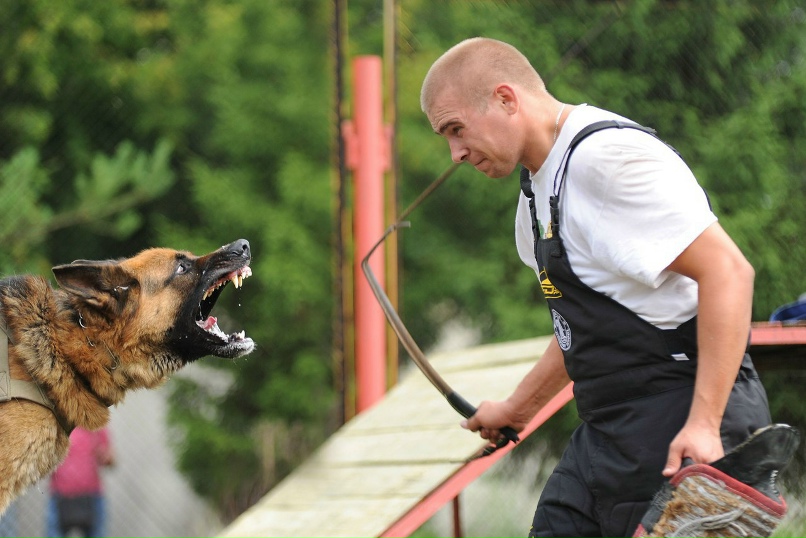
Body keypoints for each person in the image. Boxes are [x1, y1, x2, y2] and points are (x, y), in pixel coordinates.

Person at [420, 37, 772, 538]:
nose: (454, 153)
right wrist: (517, 409)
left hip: (686, 416)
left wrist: (704, 424)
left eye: (456, 129)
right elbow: (583, 329)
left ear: (505, 98)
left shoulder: (607, 160)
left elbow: (729, 273)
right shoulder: (534, 199)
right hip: (609, 430)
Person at [47, 427, 115, 538]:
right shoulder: (56, 422)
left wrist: (104, 456)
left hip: (91, 496)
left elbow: (110, 458)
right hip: (60, 496)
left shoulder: (96, 423)